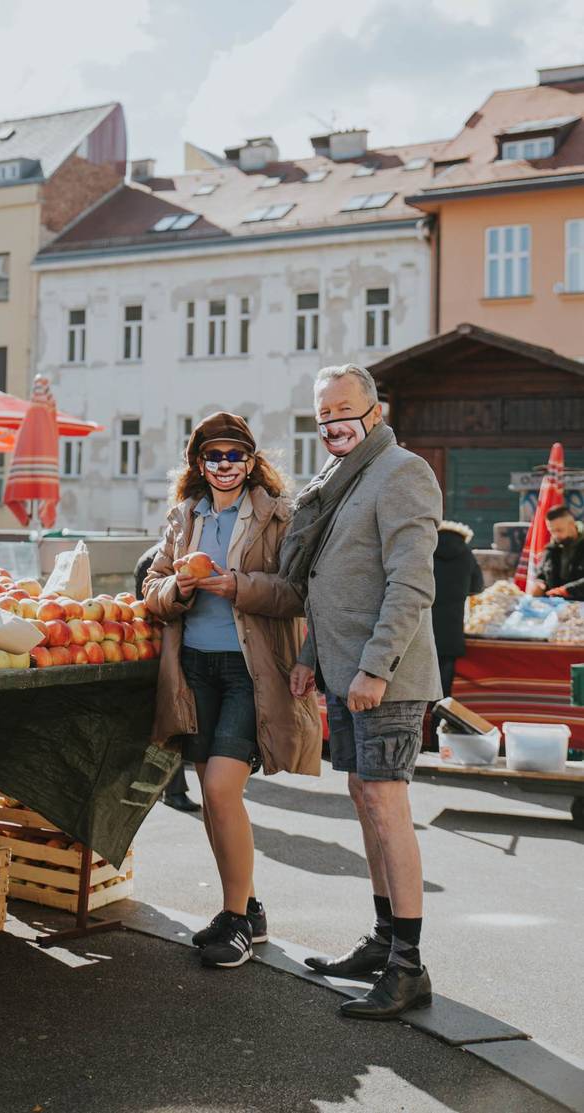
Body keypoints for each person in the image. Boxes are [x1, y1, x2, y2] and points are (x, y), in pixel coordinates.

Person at [284, 363, 442, 1020]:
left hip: (387, 677)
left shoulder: (400, 471)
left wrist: (375, 668)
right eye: (323, 415)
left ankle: (409, 966)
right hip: (347, 675)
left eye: (343, 409)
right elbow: (332, 580)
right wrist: (309, 656)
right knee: (363, 797)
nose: (333, 423)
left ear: (375, 409)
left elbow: (410, 585)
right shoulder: (343, 482)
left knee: (386, 804)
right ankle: (383, 941)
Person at [144, 413, 320, 970]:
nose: (224, 465)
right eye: (213, 456)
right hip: (195, 668)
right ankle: (244, 907)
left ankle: (237, 920)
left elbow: (298, 591)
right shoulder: (185, 516)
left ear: (251, 461)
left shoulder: (277, 515)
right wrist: (180, 586)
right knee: (215, 798)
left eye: (234, 455)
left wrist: (238, 586)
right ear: (199, 464)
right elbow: (152, 586)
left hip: (251, 670)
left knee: (221, 788)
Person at [134, 542, 200, 813]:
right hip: (168, 646)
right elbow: (154, 607)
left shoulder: (155, 555)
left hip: (166, 645)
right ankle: (172, 789)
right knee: (169, 720)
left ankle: (172, 788)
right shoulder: (158, 559)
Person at [431, 520, 484, 700]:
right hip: (452, 627)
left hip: (424, 625)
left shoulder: (426, 551)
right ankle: (439, 718)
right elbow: (477, 586)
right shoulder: (466, 554)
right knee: (445, 681)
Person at [531, 505, 584, 599]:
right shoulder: (551, 549)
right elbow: (541, 575)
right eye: (552, 531)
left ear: (572, 524)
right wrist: (539, 584)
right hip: (554, 606)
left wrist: (566, 590)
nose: (555, 535)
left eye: (559, 530)